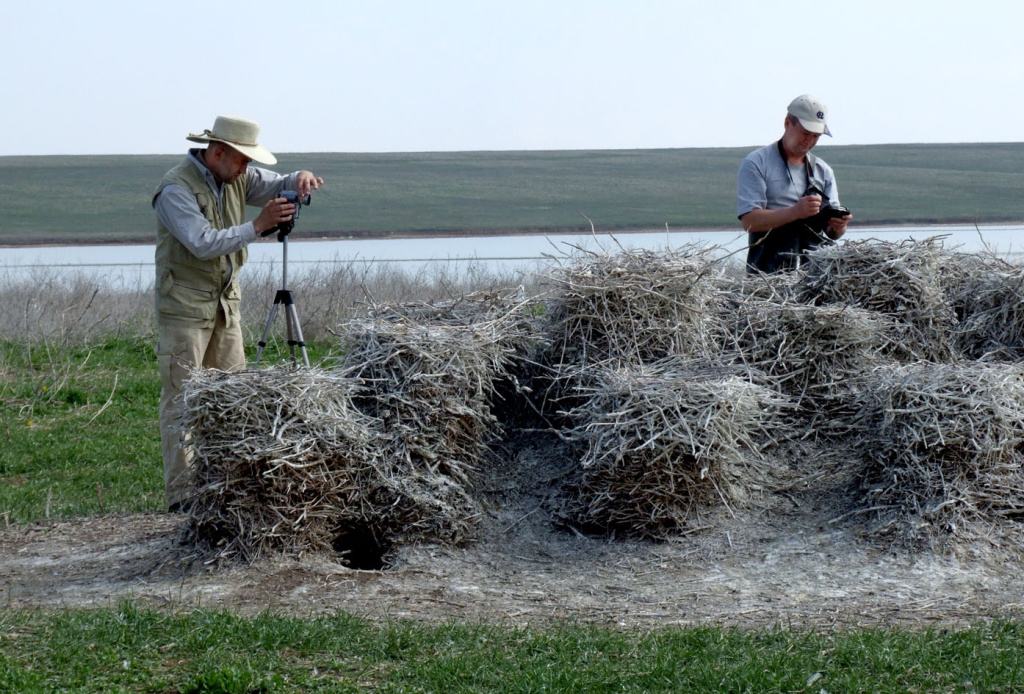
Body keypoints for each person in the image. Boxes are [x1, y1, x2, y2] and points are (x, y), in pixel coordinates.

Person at [152, 115, 323, 512]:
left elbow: (279, 182)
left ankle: (227, 491)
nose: (248, 167)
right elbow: (202, 242)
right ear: (217, 152)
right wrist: (257, 226)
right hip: (184, 310)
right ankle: (182, 498)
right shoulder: (174, 189)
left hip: (225, 307)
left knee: (232, 398)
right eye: (243, 159)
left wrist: (301, 177)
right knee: (182, 401)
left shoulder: (235, 177)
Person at [737, 94, 852, 273]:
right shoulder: (756, 163)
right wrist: (795, 212)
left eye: (816, 136)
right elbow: (749, 222)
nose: (810, 140)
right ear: (787, 123)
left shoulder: (824, 171)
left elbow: (832, 234)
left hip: (813, 278)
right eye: (805, 133)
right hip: (767, 280)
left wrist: (839, 226)